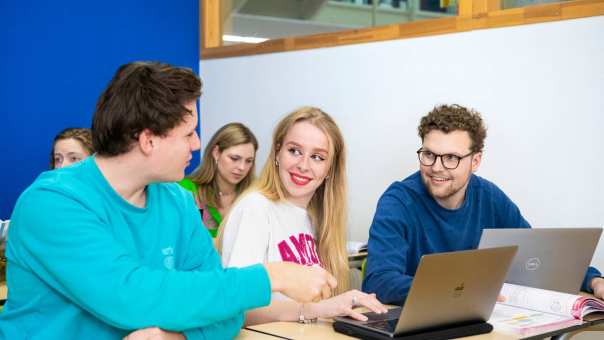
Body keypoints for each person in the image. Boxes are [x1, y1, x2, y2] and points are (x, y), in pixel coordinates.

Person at [0, 62, 338, 339]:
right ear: (149, 140)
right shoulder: (51, 204)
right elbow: (131, 295)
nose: (197, 144)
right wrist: (269, 277)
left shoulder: (176, 200)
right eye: (188, 133)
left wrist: (179, 338)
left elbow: (228, 311)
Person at [362, 104, 604, 305]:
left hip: (480, 320)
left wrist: (593, 280)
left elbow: (538, 258)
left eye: (451, 158)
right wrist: (462, 289)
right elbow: (379, 281)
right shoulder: (397, 201)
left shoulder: (490, 197)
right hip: (421, 325)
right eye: (428, 154)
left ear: (475, 161)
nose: (436, 167)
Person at [220, 107, 387, 326]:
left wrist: (344, 303)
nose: (303, 165)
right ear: (277, 152)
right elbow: (237, 306)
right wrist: (314, 310)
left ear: (330, 169)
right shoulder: (255, 208)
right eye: (294, 151)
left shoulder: (318, 220)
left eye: (317, 157)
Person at [180, 122, 258, 238]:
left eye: (248, 161)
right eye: (234, 158)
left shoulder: (256, 194)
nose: (242, 167)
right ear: (216, 153)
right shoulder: (187, 191)